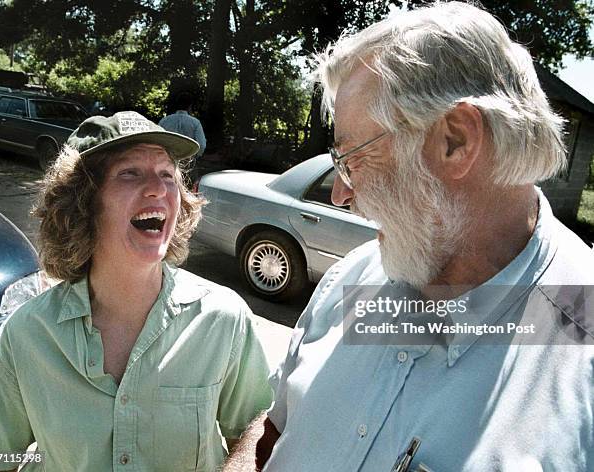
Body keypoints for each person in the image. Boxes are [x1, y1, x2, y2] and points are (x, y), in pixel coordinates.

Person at [223, 2, 594, 471]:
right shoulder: (351, 279)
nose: (340, 194)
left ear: (454, 141)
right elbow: (276, 426)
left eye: (350, 159)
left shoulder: (582, 336)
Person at [0, 111, 272, 472]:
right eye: (129, 173)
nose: (158, 188)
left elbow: (259, 426)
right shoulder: (25, 336)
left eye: (167, 175)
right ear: (84, 201)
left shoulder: (222, 319)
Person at [159, 93, 206, 158]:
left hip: (168, 157)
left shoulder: (164, 120)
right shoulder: (195, 122)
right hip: (188, 158)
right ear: (190, 106)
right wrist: (196, 156)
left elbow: (158, 140)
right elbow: (202, 145)